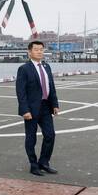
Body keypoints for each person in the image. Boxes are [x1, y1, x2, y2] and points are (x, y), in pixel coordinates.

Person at [16, 39, 60, 176]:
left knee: (50, 135)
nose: (39, 52)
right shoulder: (24, 69)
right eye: (36, 49)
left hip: (46, 107)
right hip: (31, 109)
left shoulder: (46, 67)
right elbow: (20, 91)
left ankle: (44, 162)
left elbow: (51, 87)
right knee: (31, 138)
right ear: (29, 52)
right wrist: (24, 110)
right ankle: (33, 165)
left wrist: (55, 104)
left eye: (41, 49)